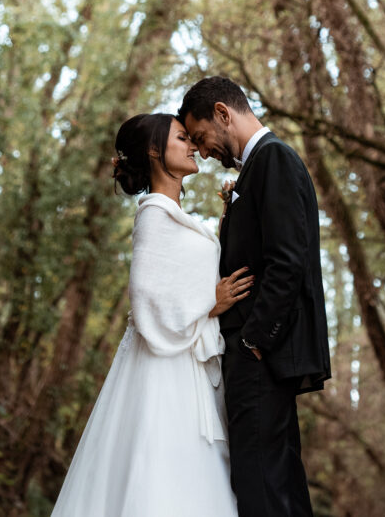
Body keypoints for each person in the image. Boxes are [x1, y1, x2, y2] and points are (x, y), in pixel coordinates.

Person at [51, 112, 253, 517]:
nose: (194, 145)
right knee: (163, 475)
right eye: (183, 138)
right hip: (163, 369)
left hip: (189, 364)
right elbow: (146, 295)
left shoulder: (174, 216)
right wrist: (208, 303)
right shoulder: (154, 214)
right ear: (154, 151)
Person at [179, 76, 332, 517]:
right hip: (258, 354)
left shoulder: (274, 160)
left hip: (261, 354)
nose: (204, 152)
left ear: (224, 114)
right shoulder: (259, 167)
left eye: (203, 138)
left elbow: (288, 260)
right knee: (272, 479)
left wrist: (254, 341)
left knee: (261, 484)